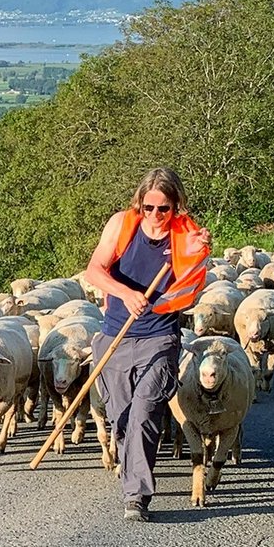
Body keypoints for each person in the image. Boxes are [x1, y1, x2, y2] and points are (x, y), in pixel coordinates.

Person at [81, 167, 211, 522]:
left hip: (159, 336)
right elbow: (94, 271)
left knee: (144, 412)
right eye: (148, 207)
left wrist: (200, 253)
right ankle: (133, 476)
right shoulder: (121, 224)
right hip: (115, 335)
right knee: (122, 419)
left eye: (163, 208)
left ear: (176, 205)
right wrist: (126, 293)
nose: (155, 215)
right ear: (139, 203)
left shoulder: (185, 236)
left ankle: (136, 496)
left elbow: (192, 286)